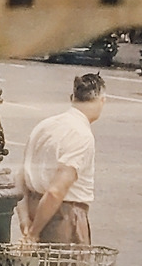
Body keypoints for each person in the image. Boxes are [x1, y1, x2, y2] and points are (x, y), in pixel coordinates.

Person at [17, 73, 107, 243]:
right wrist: (35, 233)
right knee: (63, 261)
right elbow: (55, 191)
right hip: (63, 218)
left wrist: (26, 222)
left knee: (37, 261)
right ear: (101, 101)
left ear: (72, 97)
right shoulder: (81, 135)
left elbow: (20, 178)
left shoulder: (44, 126)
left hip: (34, 210)